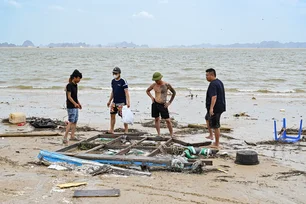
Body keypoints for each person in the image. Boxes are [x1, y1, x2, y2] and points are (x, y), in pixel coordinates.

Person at [146, 72, 176, 137]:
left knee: (167, 120)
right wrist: (151, 97)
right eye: (155, 80)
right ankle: (159, 134)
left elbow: (174, 93)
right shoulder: (154, 85)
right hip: (155, 103)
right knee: (156, 119)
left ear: (160, 78)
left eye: (157, 80)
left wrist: (169, 102)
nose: (156, 81)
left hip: (163, 104)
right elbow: (147, 91)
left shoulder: (166, 85)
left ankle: (171, 134)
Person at [205, 68, 226, 148]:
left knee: (216, 125)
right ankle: (211, 135)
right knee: (207, 118)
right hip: (219, 106)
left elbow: (214, 97)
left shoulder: (213, 84)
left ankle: (217, 143)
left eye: (207, 75)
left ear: (212, 75)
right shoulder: (219, 82)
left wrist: (211, 108)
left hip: (216, 108)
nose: (206, 77)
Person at [107, 67, 130, 134]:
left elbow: (126, 92)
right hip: (114, 102)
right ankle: (111, 129)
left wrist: (128, 102)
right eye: (114, 73)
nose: (115, 74)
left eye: (116, 73)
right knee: (112, 115)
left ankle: (126, 130)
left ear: (119, 73)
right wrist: (109, 101)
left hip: (121, 103)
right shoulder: (113, 81)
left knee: (124, 116)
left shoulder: (123, 81)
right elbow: (113, 92)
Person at [63, 69, 83, 145]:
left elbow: (75, 96)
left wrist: (78, 103)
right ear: (75, 77)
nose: (79, 80)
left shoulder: (76, 85)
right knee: (71, 121)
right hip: (70, 106)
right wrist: (74, 104)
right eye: (78, 78)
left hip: (75, 106)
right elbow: (69, 97)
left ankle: (72, 136)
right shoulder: (69, 85)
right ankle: (65, 137)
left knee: (75, 121)